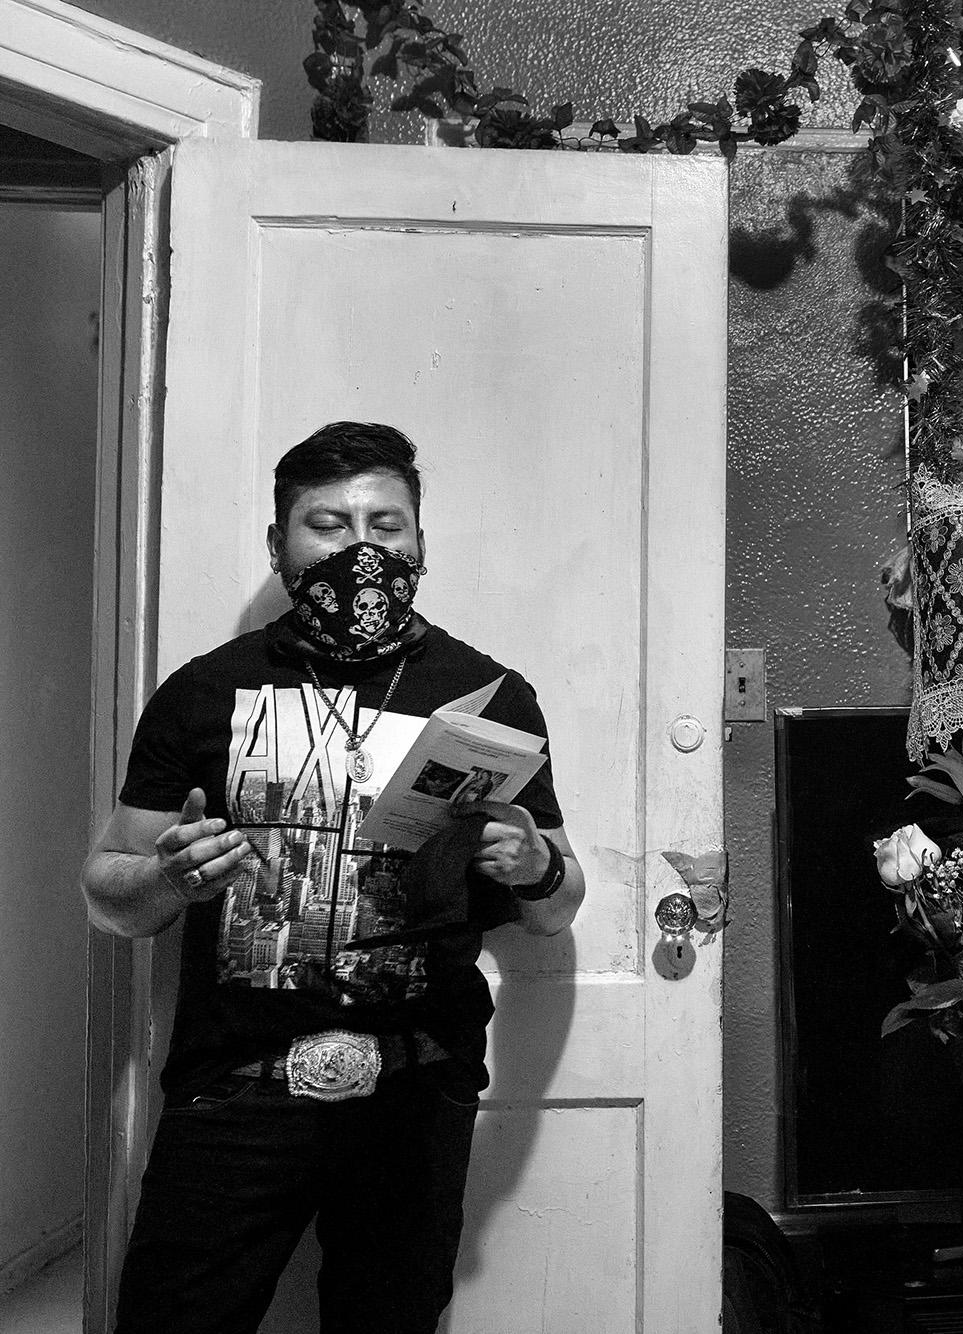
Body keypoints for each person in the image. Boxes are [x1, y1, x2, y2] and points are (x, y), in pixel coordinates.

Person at [82, 422, 586, 1333]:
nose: (362, 546)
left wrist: (538, 863)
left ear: (421, 543)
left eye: (386, 523)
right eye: (328, 522)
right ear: (279, 546)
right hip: (233, 1089)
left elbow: (557, 911)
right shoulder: (204, 691)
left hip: (414, 1087)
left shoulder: (492, 694)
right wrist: (168, 879)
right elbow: (106, 897)